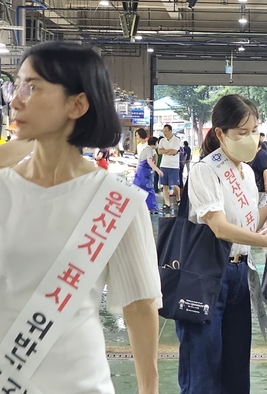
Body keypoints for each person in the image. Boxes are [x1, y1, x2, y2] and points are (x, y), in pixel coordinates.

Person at [0, 41, 160, 393]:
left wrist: (149, 390)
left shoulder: (118, 202)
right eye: (17, 86)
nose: (15, 99)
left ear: (77, 104)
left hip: (80, 383)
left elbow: (140, 307)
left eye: (33, 87)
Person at [178, 94, 267, 394]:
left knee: (236, 368)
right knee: (203, 369)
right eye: (242, 133)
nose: (252, 139)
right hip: (206, 276)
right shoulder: (205, 171)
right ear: (220, 133)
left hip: (238, 276)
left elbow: (248, 224)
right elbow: (221, 229)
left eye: (255, 131)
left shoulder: (246, 172)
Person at [132, 128, 163, 213]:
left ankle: (142, 207)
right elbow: (145, 160)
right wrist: (157, 169)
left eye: (137, 135)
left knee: (140, 188)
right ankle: (150, 207)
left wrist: (154, 167)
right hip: (144, 170)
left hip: (145, 170)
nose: (136, 137)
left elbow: (154, 156)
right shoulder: (143, 147)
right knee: (148, 189)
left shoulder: (147, 146)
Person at [158, 124, 181, 210]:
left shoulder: (176, 140)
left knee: (175, 185)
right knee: (165, 186)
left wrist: (165, 151)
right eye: (163, 131)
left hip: (174, 166)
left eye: (166, 131)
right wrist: (169, 151)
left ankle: (178, 199)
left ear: (170, 131)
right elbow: (159, 151)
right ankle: (167, 204)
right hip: (163, 165)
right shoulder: (162, 140)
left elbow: (174, 151)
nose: (164, 133)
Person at [249, 140, 267, 209]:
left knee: (259, 208)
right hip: (255, 187)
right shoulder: (255, 154)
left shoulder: (261, 154)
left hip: (260, 188)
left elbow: (265, 170)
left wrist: (266, 186)